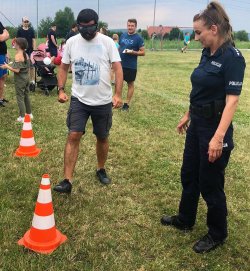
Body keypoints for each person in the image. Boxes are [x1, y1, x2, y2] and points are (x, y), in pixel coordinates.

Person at [160, 1, 246, 254]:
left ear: (214, 28)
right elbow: (200, 89)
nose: (195, 37)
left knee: (210, 183)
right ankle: (185, 219)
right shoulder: (206, 52)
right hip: (197, 123)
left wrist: (218, 138)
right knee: (189, 174)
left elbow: (232, 101)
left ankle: (218, 233)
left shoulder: (233, 58)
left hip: (214, 128)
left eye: (199, 32)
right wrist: (188, 114)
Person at [53, 8, 123, 194]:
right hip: (79, 99)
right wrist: (60, 89)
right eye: (82, 27)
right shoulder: (72, 42)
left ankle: (100, 168)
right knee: (73, 135)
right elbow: (63, 68)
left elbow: (117, 68)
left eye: (90, 27)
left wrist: (118, 94)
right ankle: (67, 180)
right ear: (78, 26)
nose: (86, 31)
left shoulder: (107, 42)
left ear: (96, 25)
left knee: (102, 136)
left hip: (102, 101)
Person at [0, 38, 33, 122]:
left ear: (19, 45)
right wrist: (9, 64)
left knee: (20, 97)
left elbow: (17, 70)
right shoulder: (26, 55)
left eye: (15, 43)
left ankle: (22, 117)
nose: (13, 44)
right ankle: (29, 114)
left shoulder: (18, 56)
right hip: (26, 78)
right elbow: (22, 65)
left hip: (20, 80)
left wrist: (7, 67)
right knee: (26, 96)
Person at [119, 19, 145, 111]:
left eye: (132, 26)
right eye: (129, 25)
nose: (130, 27)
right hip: (120, 64)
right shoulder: (123, 35)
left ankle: (126, 104)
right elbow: (119, 47)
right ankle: (117, 100)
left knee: (130, 84)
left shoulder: (138, 38)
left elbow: (143, 52)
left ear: (135, 26)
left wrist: (132, 52)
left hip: (131, 66)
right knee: (119, 83)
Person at [16, 16, 36, 91]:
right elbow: (17, 41)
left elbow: (33, 40)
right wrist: (18, 51)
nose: (26, 23)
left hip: (30, 51)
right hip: (22, 51)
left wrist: (34, 50)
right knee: (24, 67)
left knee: (32, 66)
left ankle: (32, 81)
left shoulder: (31, 30)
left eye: (27, 21)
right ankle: (24, 82)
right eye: (25, 21)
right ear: (22, 22)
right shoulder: (19, 31)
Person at [0, 21, 9, 107]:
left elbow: (7, 35)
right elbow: (2, 38)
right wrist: (5, 33)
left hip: (3, 54)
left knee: (3, 77)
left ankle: (1, 98)